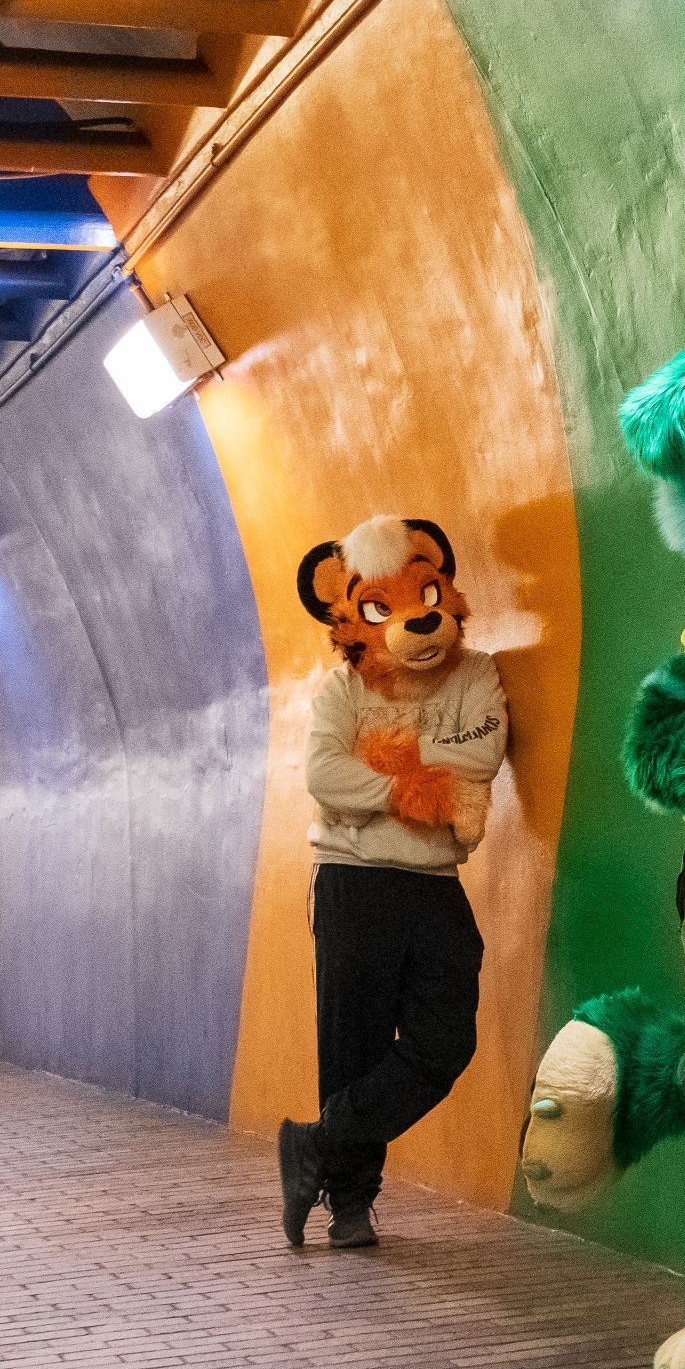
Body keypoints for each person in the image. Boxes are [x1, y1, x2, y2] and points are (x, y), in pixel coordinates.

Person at [276, 515, 507, 1250]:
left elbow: (485, 752)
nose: (414, 615)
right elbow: (322, 775)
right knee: (354, 1044)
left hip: (435, 880)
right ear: (352, 611)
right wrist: (406, 788)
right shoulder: (344, 689)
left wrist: (396, 754)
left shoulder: (477, 673)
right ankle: (350, 1204)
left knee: (444, 1042)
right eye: (380, 607)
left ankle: (314, 1142)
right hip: (351, 878)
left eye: (425, 591)